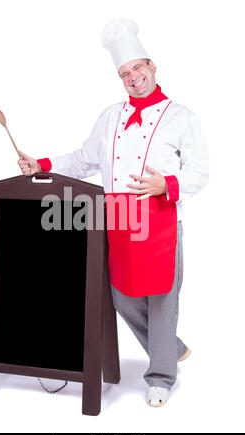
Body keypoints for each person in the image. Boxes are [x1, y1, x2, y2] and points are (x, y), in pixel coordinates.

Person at [17, 18, 209, 407]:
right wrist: (41, 163)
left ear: (153, 67)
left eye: (138, 68)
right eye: (125, 73)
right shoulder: (110, 117)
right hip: (119, 218)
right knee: (122, 297)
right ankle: (169, 346)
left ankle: (161, 376)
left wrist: (166, 185)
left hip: (161, 218)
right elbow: (84, 160)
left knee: (161, 299)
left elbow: (201, 171)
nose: (133, 78)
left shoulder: (182, 116)